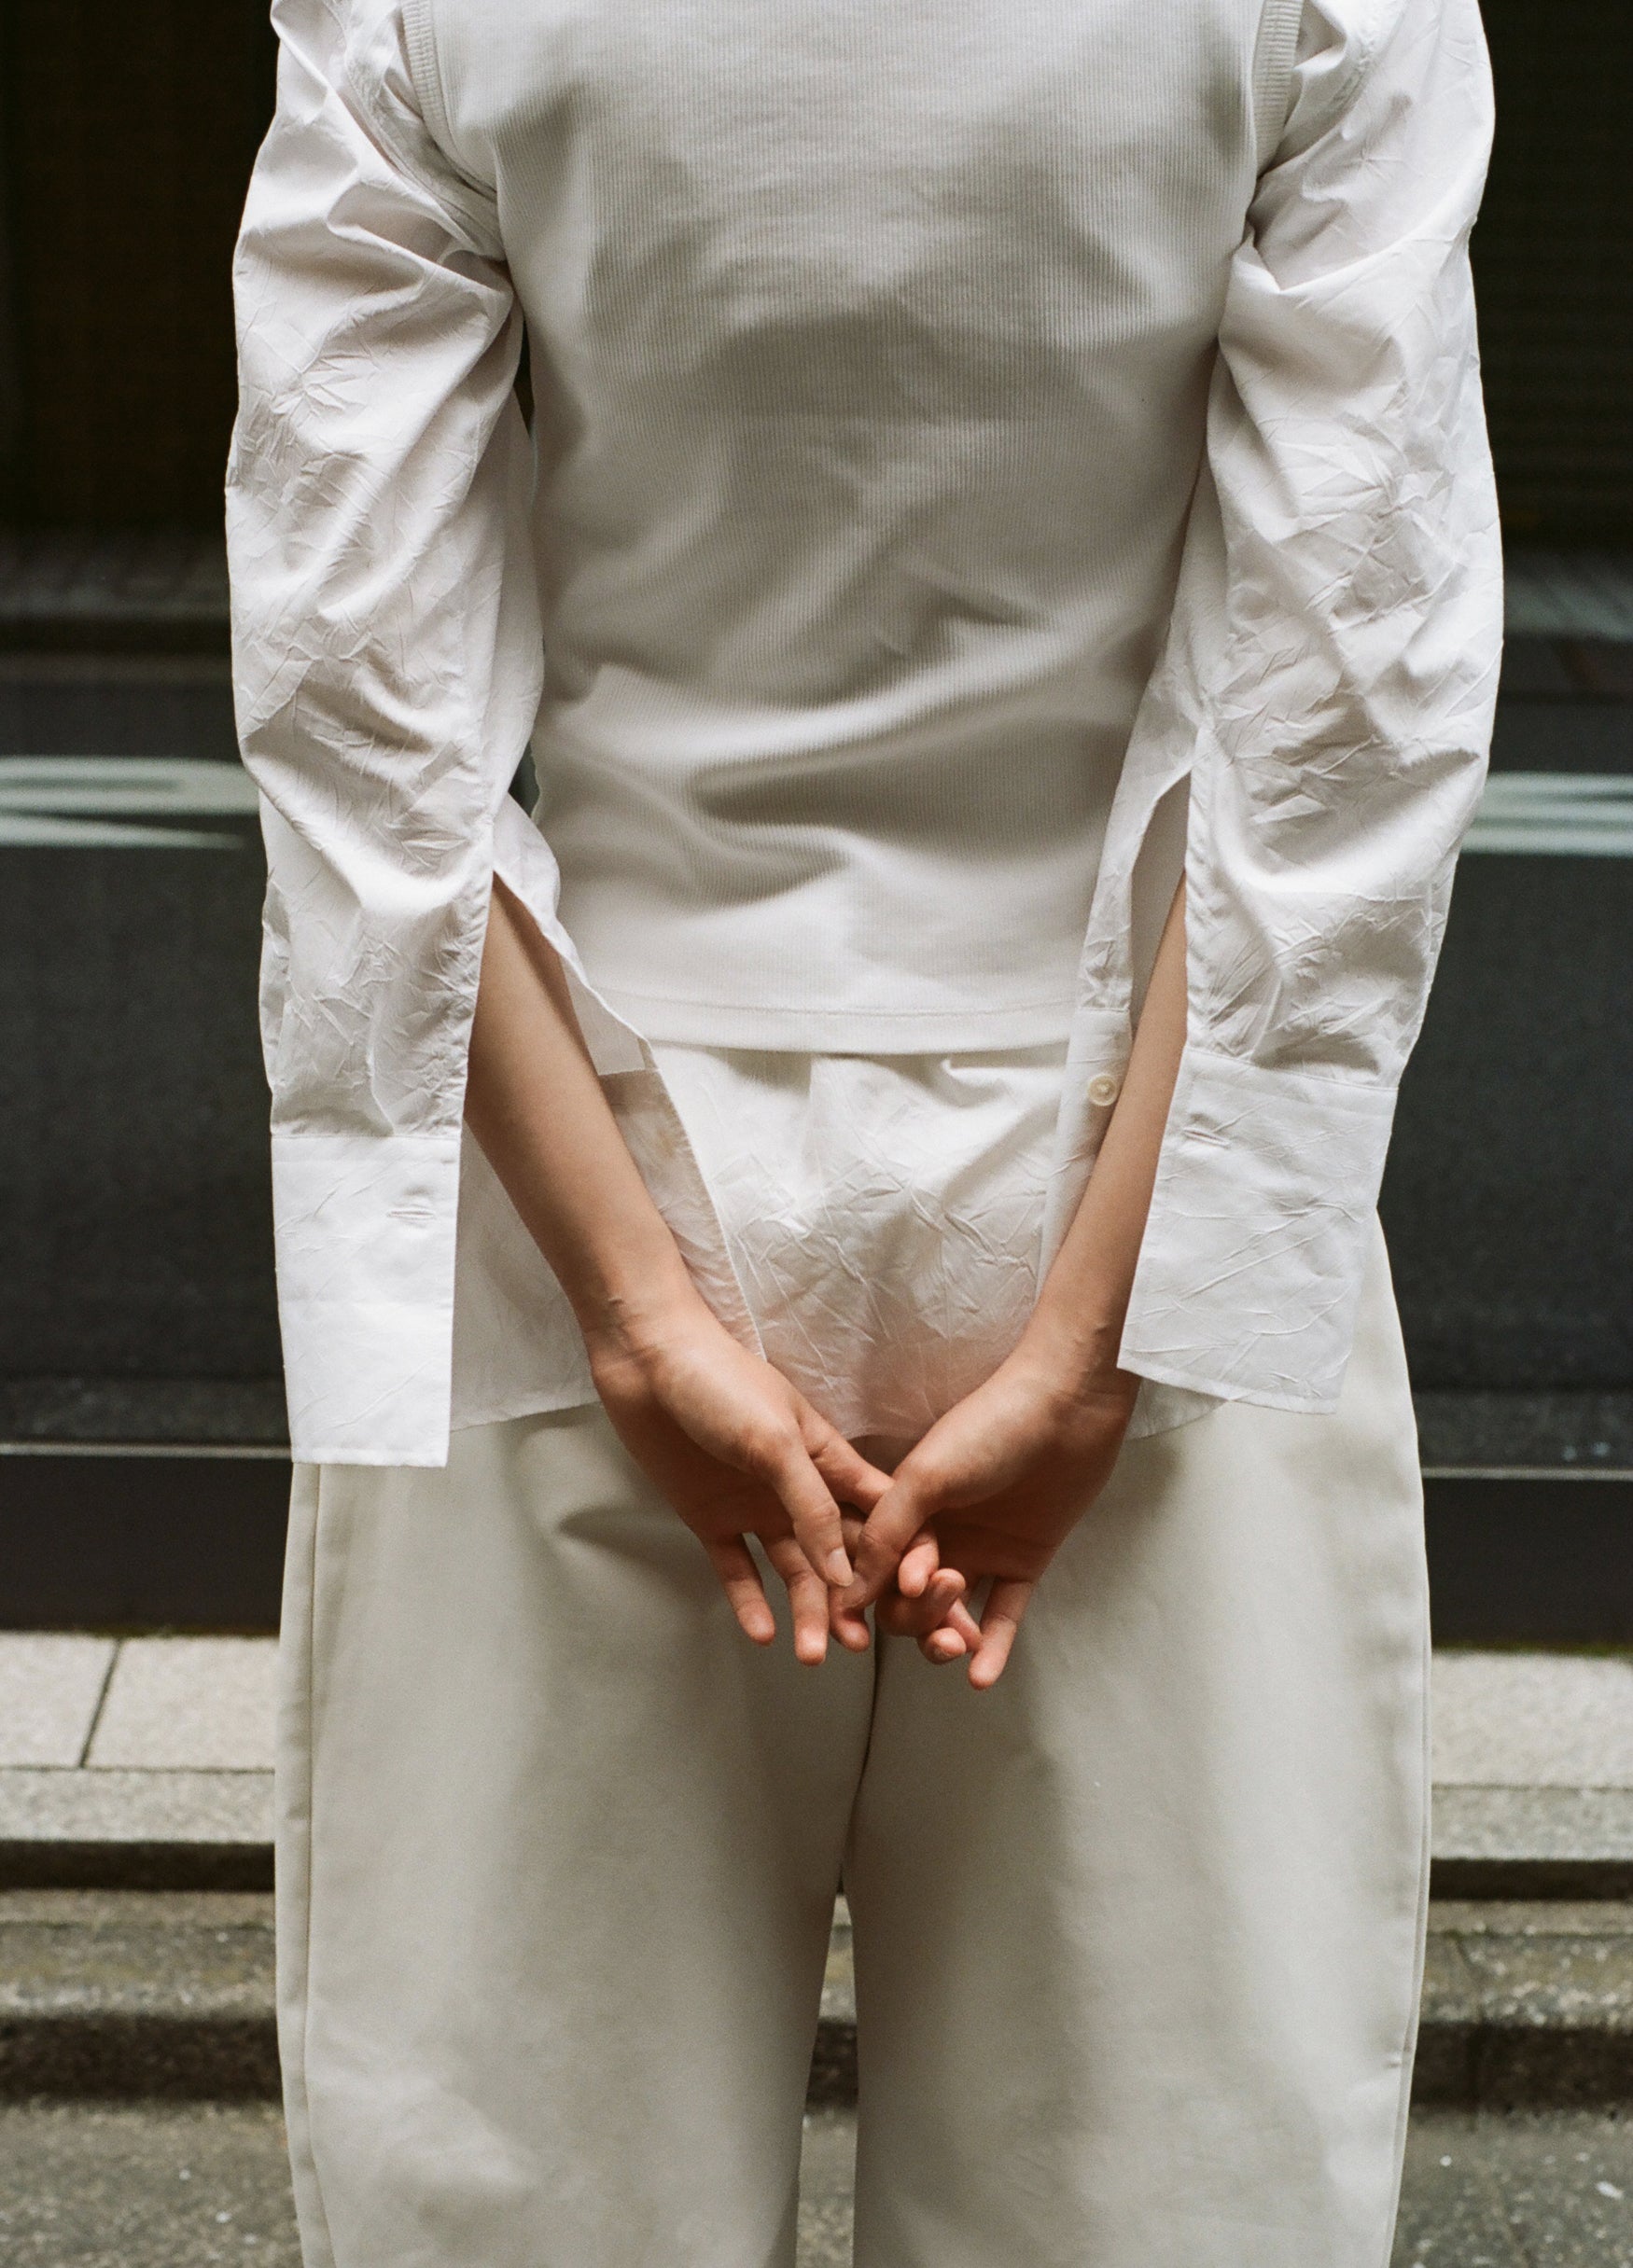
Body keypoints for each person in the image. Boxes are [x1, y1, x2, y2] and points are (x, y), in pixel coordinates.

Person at [227, 0, 1500, 2256]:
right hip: (1135, 1151)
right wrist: (1091, 1342)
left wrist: (634, 1307)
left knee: (528, 2192)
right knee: (1148, 2191)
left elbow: (358, 698)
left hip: (595, 1147)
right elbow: (1347, 702)